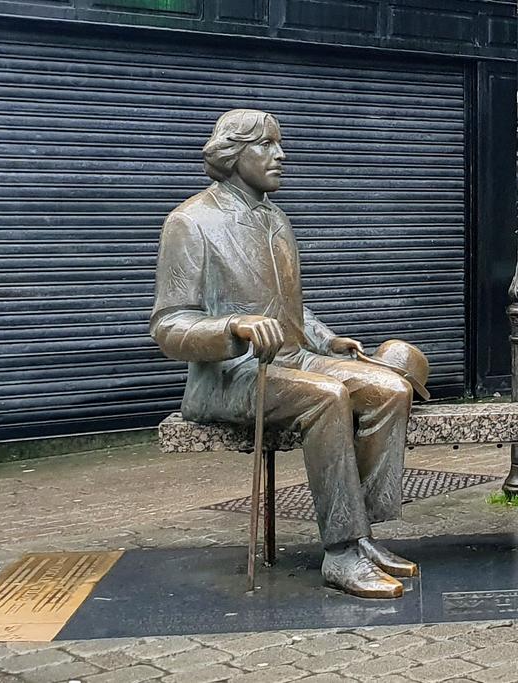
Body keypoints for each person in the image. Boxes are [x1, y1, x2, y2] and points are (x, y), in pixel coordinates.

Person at [151, 109, 429, 599]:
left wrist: (325, 340)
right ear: (233, 154)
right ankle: (340, 553)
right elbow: (169, 325)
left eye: (278, 145)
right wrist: (231, 327)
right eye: (266, 145)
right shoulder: (190, 222)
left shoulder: (275, 218)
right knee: (326, 396)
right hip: (230, 375)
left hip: (293, 359)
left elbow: (287, 307)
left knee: (389, 388)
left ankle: (362, 534)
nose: (280, 155)